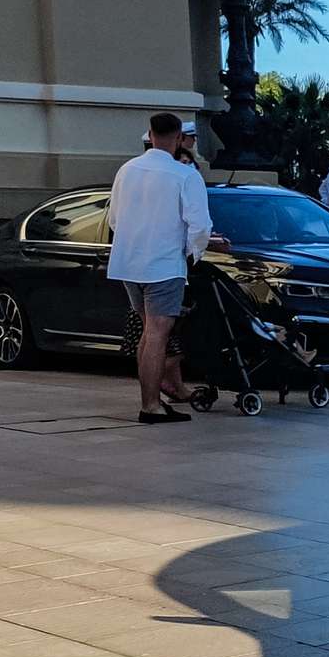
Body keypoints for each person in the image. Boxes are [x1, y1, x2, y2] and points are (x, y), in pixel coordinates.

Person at [106, 113, 216, 424]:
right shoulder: (184, 175)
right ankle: (150, 405)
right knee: (158, 335)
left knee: (147, 332)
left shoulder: (126, 170)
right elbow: (200, 225)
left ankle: (151, 400)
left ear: (151, 136)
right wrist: (193, 253)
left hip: (128, 262)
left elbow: (113, 219)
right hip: (164, 264)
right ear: (180, 138)